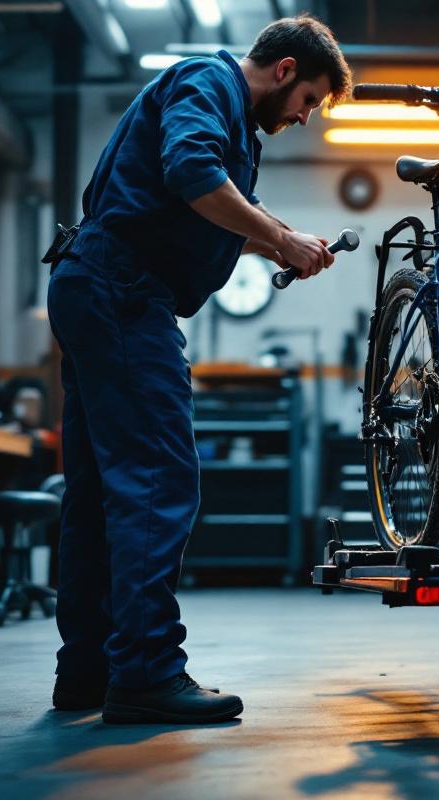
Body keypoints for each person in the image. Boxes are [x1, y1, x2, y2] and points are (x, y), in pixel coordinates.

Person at [45, 15, 351, 724]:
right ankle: (147, 673)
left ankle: (87, 673)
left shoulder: (228, 117)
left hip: (99, 284)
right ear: (283, 71)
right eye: (309, 99)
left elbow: (178, 209)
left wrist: (271, 247)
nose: (305, 117)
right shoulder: (209, 83)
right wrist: (277, 233)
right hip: (122, 292)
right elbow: (190, 175)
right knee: (158, 477)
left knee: (98, 492)